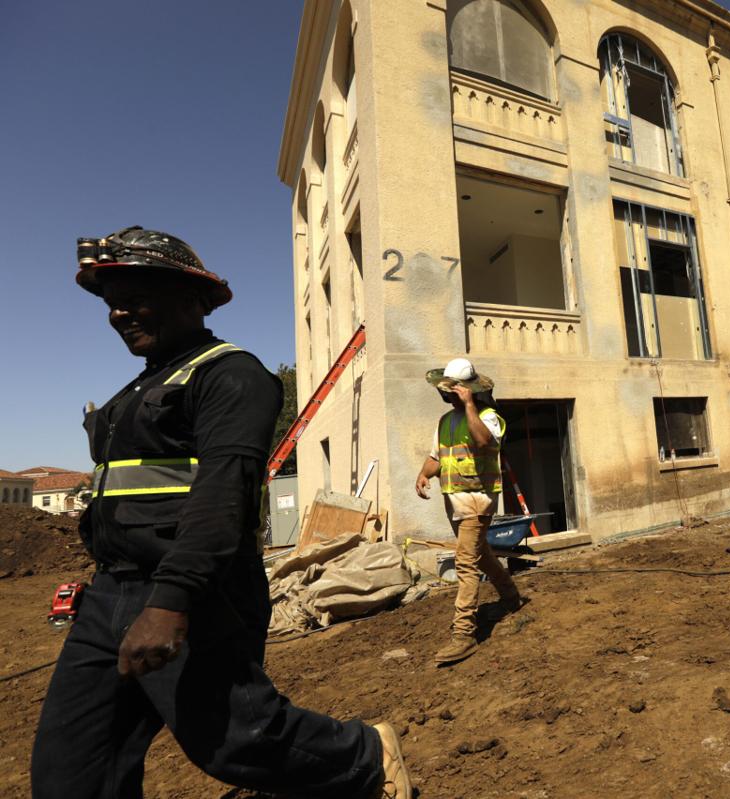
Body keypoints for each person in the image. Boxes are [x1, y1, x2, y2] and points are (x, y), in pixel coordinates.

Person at [31, 227, 410, 798]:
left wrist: (170, 602)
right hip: (110, 593)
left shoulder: (229, 375)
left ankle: (364, 756)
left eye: (134, 297)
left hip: (194, 588)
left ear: (191, 297)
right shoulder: (138, 389)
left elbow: (223, 496)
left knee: (237, 739)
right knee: (73, 766)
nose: (119, 314)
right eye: (111, 303)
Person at [415, 358, 526, 665]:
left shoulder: (489, 417)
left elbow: (482, 441)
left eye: (453, 390)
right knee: (482, 555)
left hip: (478, 501)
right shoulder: (445, 422)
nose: (446, 394)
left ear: (467, 391)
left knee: (465, 564)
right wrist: (424, 473)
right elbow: (436, 457)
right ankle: (511, 596)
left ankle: (464, 634)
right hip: (455, 501)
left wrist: (469, 406)